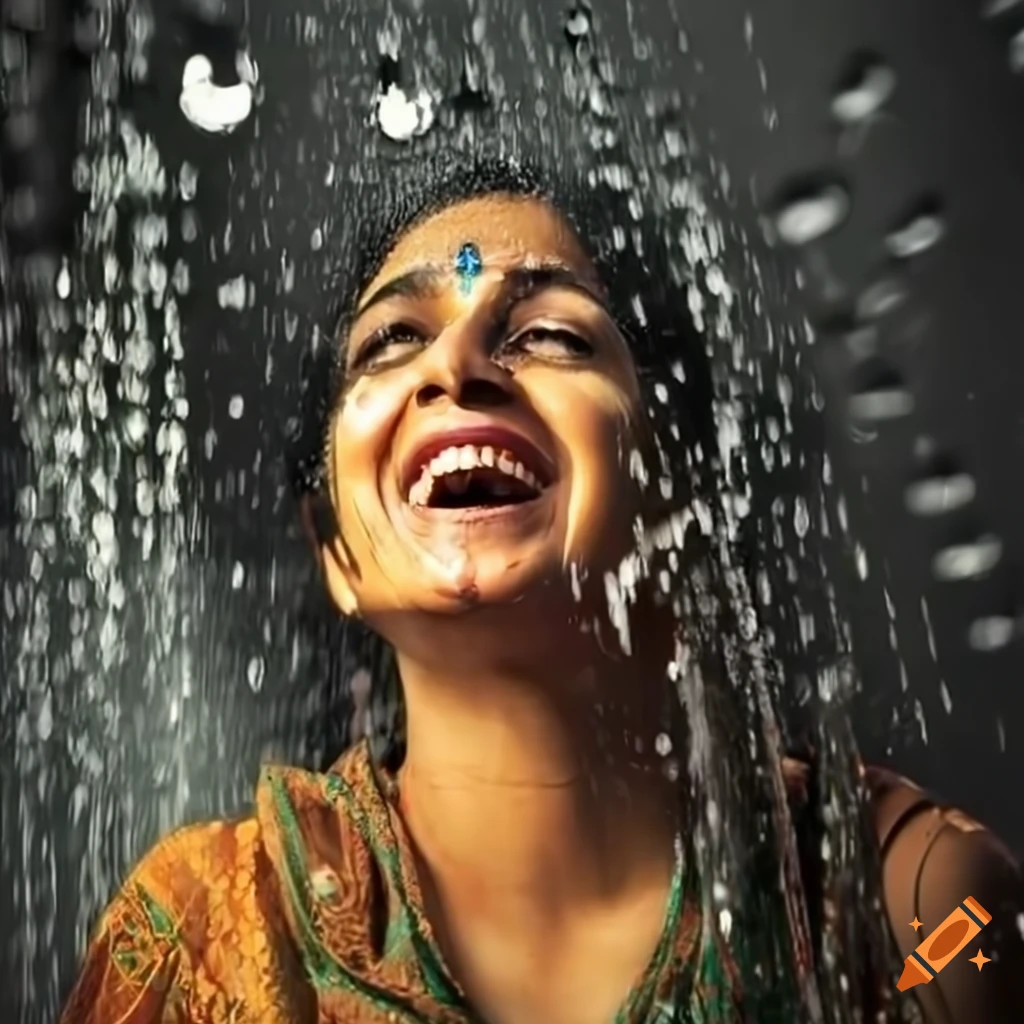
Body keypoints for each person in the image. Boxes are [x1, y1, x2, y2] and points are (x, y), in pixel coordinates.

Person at [59, 154, 1024, 1024]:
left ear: (681, 493)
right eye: (393, 339)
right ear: (335, 554)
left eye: (553, 334)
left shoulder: (921, 916)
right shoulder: (205, 943)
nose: (455, 364)